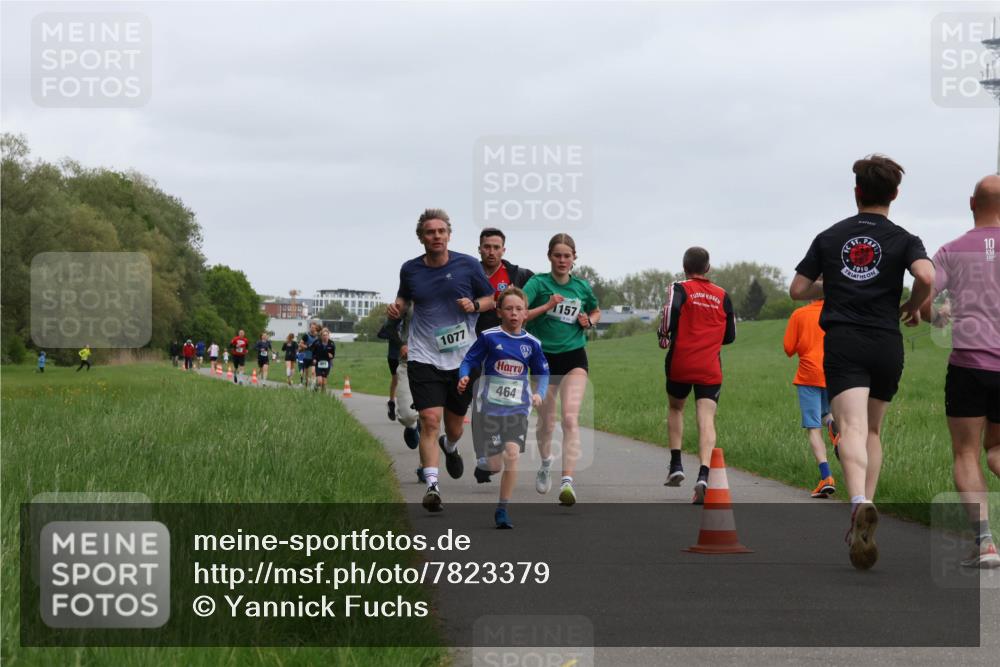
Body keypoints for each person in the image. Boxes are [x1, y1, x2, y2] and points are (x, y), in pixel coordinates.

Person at [790, 154, 934, 570]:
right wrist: (913, 305)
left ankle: (858, 502)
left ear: (857, 192)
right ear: (895, 194)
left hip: (845, 341)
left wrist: (831, 284)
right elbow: (927, 276)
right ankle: (866, 507)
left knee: (849, 427)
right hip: (886, 342)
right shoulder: (905, 239)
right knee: (871, 430)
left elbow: (797, 289)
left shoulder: (831, 236)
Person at [386, 208, 495, 512]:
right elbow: (403, 297)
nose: (436, 236)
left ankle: (451, 446)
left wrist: (474, 305)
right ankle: (432, 486)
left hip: (462, 359)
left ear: (449, 235)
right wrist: (396, 307)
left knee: (454, 426)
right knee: (429, 420)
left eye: (441, 231)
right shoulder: (410, 269)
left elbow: (491, 299)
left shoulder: (468, 265)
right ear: (421, 237)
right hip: (423, 355)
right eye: (430, 232)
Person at [922, 174, 1000, 569]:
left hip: (969, 364)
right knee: (996, 450)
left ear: (972, 203)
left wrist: (938, 316)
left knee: (967, 452)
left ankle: (985, 543)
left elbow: (925, 300)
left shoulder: (950, 251)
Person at [458, 287, 549, 528]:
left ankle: (502, 509)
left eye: (519, 309)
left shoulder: (532, 344)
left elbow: (542, 373)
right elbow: (469, 360)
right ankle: (484, 466)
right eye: (508, 309)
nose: (514, 313)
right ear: (499, 312)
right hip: (489, 409)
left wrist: (539, 394)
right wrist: (464, 376)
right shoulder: (489, 337)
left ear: (526, 313)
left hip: (517, 409)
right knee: (494, 465)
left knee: (512, 454)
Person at [523, 233, 600, 506]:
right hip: (542, 359)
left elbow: (596, 311)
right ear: (549, 257)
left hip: (574, 357)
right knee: (547, 422)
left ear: (574, 258)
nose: (562, 260)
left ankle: (567, 481)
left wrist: (589, 321)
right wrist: (547, 306)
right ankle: (546, 463)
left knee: (569, 418)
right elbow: (520, 312)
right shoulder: (538, 283)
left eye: (567, 256)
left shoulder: (581, 287)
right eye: (557, 255)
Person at [657, 247, 736, 503]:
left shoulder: (679, 287)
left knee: (676, 408)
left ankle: (676, 465)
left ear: (684, 267)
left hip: (681, 361)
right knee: (706, 417)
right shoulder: (723, 295)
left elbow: (669, 312)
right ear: (708, 268)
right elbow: (730, 335)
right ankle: (704, 474)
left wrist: (664, 335)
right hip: (710, 366)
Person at [471, 227, 535, 483]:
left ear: (503, 250)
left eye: (496, 247)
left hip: (507, 347)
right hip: (476, 343)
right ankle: (484, 454)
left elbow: (539, 290)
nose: (491, 252)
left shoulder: (517, 275)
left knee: (504, 398)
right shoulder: (470, 272)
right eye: (487, 247)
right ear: (479, 249)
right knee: (478, 399)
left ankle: (499, 450)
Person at [783, 299, 839, 498]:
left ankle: (826, 477)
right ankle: (832, 425)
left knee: (813, 427)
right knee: (827, 414)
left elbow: (788, 348)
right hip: (834, 372)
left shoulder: (800, 314)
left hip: (809, 375)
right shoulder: (838, 308)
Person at [379, 306, 423, 477]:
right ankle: (411, 425)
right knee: (408, 415)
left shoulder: (446, 297)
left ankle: (425, 467)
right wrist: (401, 345)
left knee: (430, 420)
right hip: (407, 360)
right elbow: (387, 328)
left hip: (436, 363)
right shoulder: (407, 300)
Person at [310, 327, 337, 393]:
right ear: (321, 336)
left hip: (327, 363)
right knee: (320, 382)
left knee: (324, 383)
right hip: (318, 363)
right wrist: (314, 359)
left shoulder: (331, 344)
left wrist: (331, 356)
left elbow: (333, 354)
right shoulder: (317, 342)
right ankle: (315, 387)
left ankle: (322, 395)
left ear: (328, 335)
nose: (325, 337)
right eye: (323, 335)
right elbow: (313, 351)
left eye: (326, 335)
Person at [299, 321, 321, 388]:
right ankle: (306, 384)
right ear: (309, 328)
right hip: (306, 356)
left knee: (313, 372)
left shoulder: (318, 336)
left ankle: (313, 386)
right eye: (311, 327)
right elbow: (300, 344)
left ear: (316, 328)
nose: (313, 329)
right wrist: (307, 347)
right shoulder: (306, 335)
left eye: (314, 328)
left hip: (314, 357)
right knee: (306, 373)